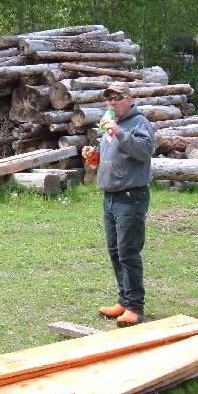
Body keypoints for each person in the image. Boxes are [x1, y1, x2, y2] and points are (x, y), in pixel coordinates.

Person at [81, 82, 155, 327]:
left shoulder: (138, 123)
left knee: (128, 252)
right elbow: (112, 155)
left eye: (117, 98)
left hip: (130, 196)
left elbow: (144, 151)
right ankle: (124, 301)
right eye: (109, 99)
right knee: (115, 251)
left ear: (129, 99)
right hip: (110, 196)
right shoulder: (110, 125)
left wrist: (120, 132)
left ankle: (134, 307)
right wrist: (94, 156)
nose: (112, 102)